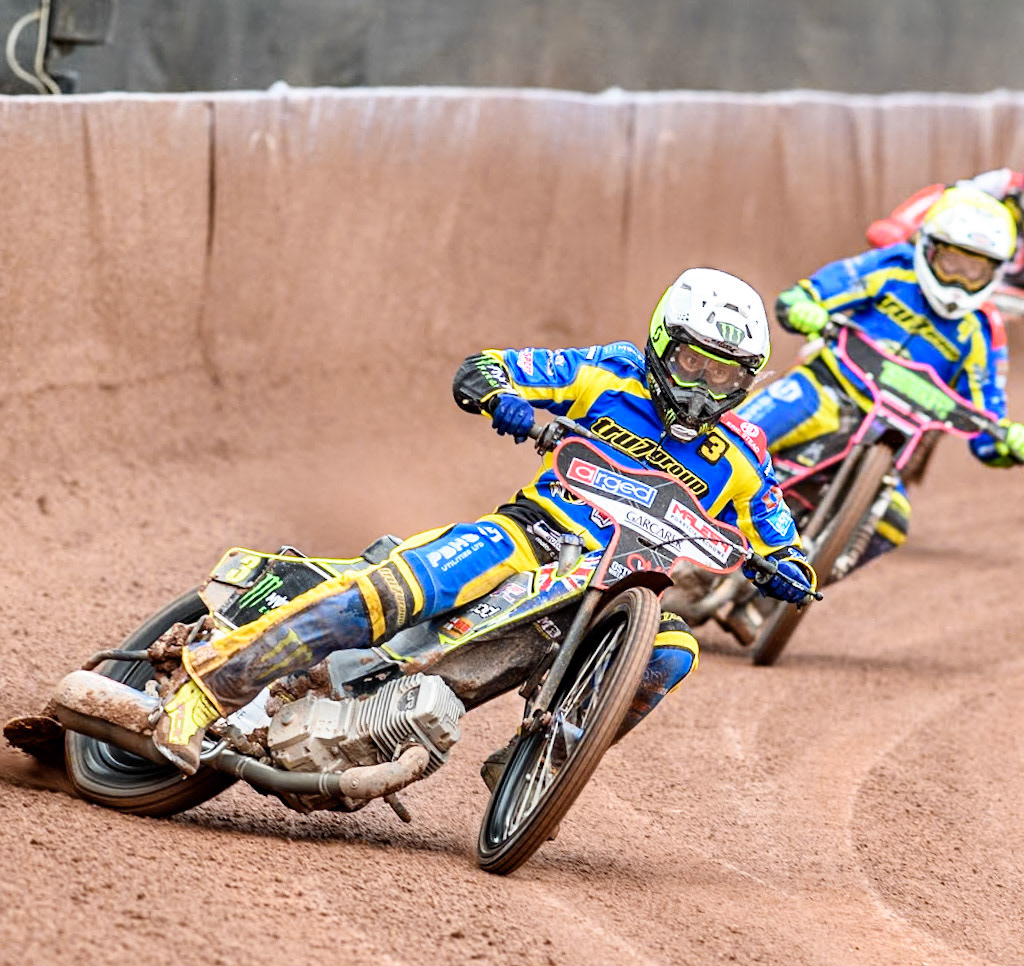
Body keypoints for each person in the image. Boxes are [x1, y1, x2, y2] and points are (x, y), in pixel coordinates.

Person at [151, 268, 817, 776]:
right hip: (534, 535)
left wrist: (787, 567)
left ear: (748, 379)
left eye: (723, 374)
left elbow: (774, 529)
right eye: (692, 362)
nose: (703, 386)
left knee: (672, 650)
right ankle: (204, 690)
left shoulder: (743, 452)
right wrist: (504, 400)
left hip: (625, 585)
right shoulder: (606, 373)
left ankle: (538, 764)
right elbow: (490, 367)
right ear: (660, 343)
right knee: (398, 591)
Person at [732, 187, 1024, 587]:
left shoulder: (983, 330)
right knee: (736, 438)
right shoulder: (892, 268)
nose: (960, 281)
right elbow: (814, 292)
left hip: (893, 442)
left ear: (994, 273)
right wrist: (804, 305)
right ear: (929, 248)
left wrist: (1007, 442)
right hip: (827, 390)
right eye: (952, 263)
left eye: (975, 271)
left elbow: (987, 417)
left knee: (894, 522)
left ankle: (770, 601)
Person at [865, 134, 1024, 345]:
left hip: (982, 324)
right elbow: (946, 198)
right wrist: (900, 224)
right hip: (940, 279)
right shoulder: (1001, 187)